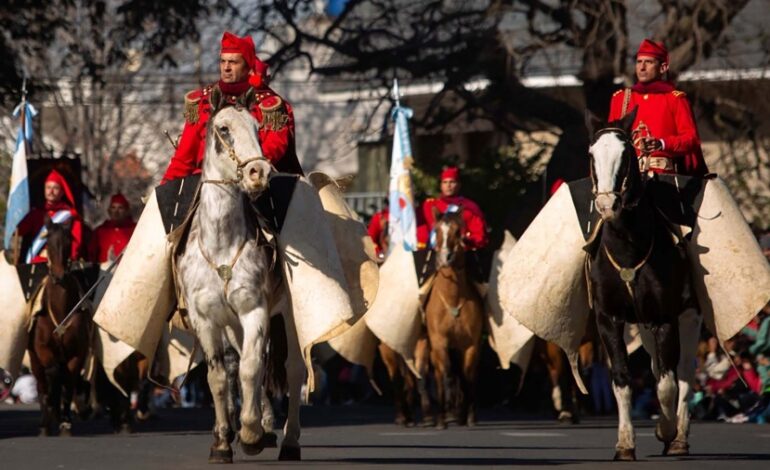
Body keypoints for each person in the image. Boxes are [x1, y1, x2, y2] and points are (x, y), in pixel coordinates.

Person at [162, 31, 303, 184]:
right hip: (204, 182)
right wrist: (164, 188)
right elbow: (184, 156)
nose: (226, 67)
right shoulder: (202, 101)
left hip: (255, 178)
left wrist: (248, 166)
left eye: (233, 62)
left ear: (248, 67)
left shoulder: (269, 105)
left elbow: (276, 146)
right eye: (223, 62)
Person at [608, 39, 708, 176]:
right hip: (626, 178)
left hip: (664, 178)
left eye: (648, 62)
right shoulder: (620, 99)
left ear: (663, 68)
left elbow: (691, 139)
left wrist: (662, 143)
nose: (642, 67)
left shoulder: (675, 99)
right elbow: (607, 142)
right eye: (639, 62)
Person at [16, 169, 83, 263]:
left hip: (60, 263)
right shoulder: (36, 213)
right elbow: (19, 231)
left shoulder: (70, 215)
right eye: (48, 187)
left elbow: (76, 244)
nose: (51, 191)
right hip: (36, 262)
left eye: (55, 188)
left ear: (62, 192)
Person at [422, 166, 488, 250]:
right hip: (431, 252)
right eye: (445, 182)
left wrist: (468, 241)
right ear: (441, 185)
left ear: (459, 185)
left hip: (462, 254)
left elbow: (480, 235)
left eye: (452, 182)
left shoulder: (469, 208)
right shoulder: (430, 205)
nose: (448, 185)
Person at [88, 193, 136, 263]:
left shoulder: (135, 230)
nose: (116, 212)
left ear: (126, 211)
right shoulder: (100, 231)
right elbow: (91, 256)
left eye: (120, 208)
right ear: (109, 211)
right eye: (113, 208)